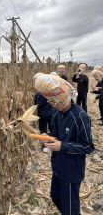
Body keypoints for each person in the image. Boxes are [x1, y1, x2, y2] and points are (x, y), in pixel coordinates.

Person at [34, 73, 94, 215]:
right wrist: (48, 137)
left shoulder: (80, 116)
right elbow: (56, 136)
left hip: (71, 171)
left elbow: (88, 147)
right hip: (58, 166)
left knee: (70, 207)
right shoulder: (57, 114)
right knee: (55, 196)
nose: (52, 104)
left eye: (54, 102)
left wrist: (63, 146)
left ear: (64, 99)